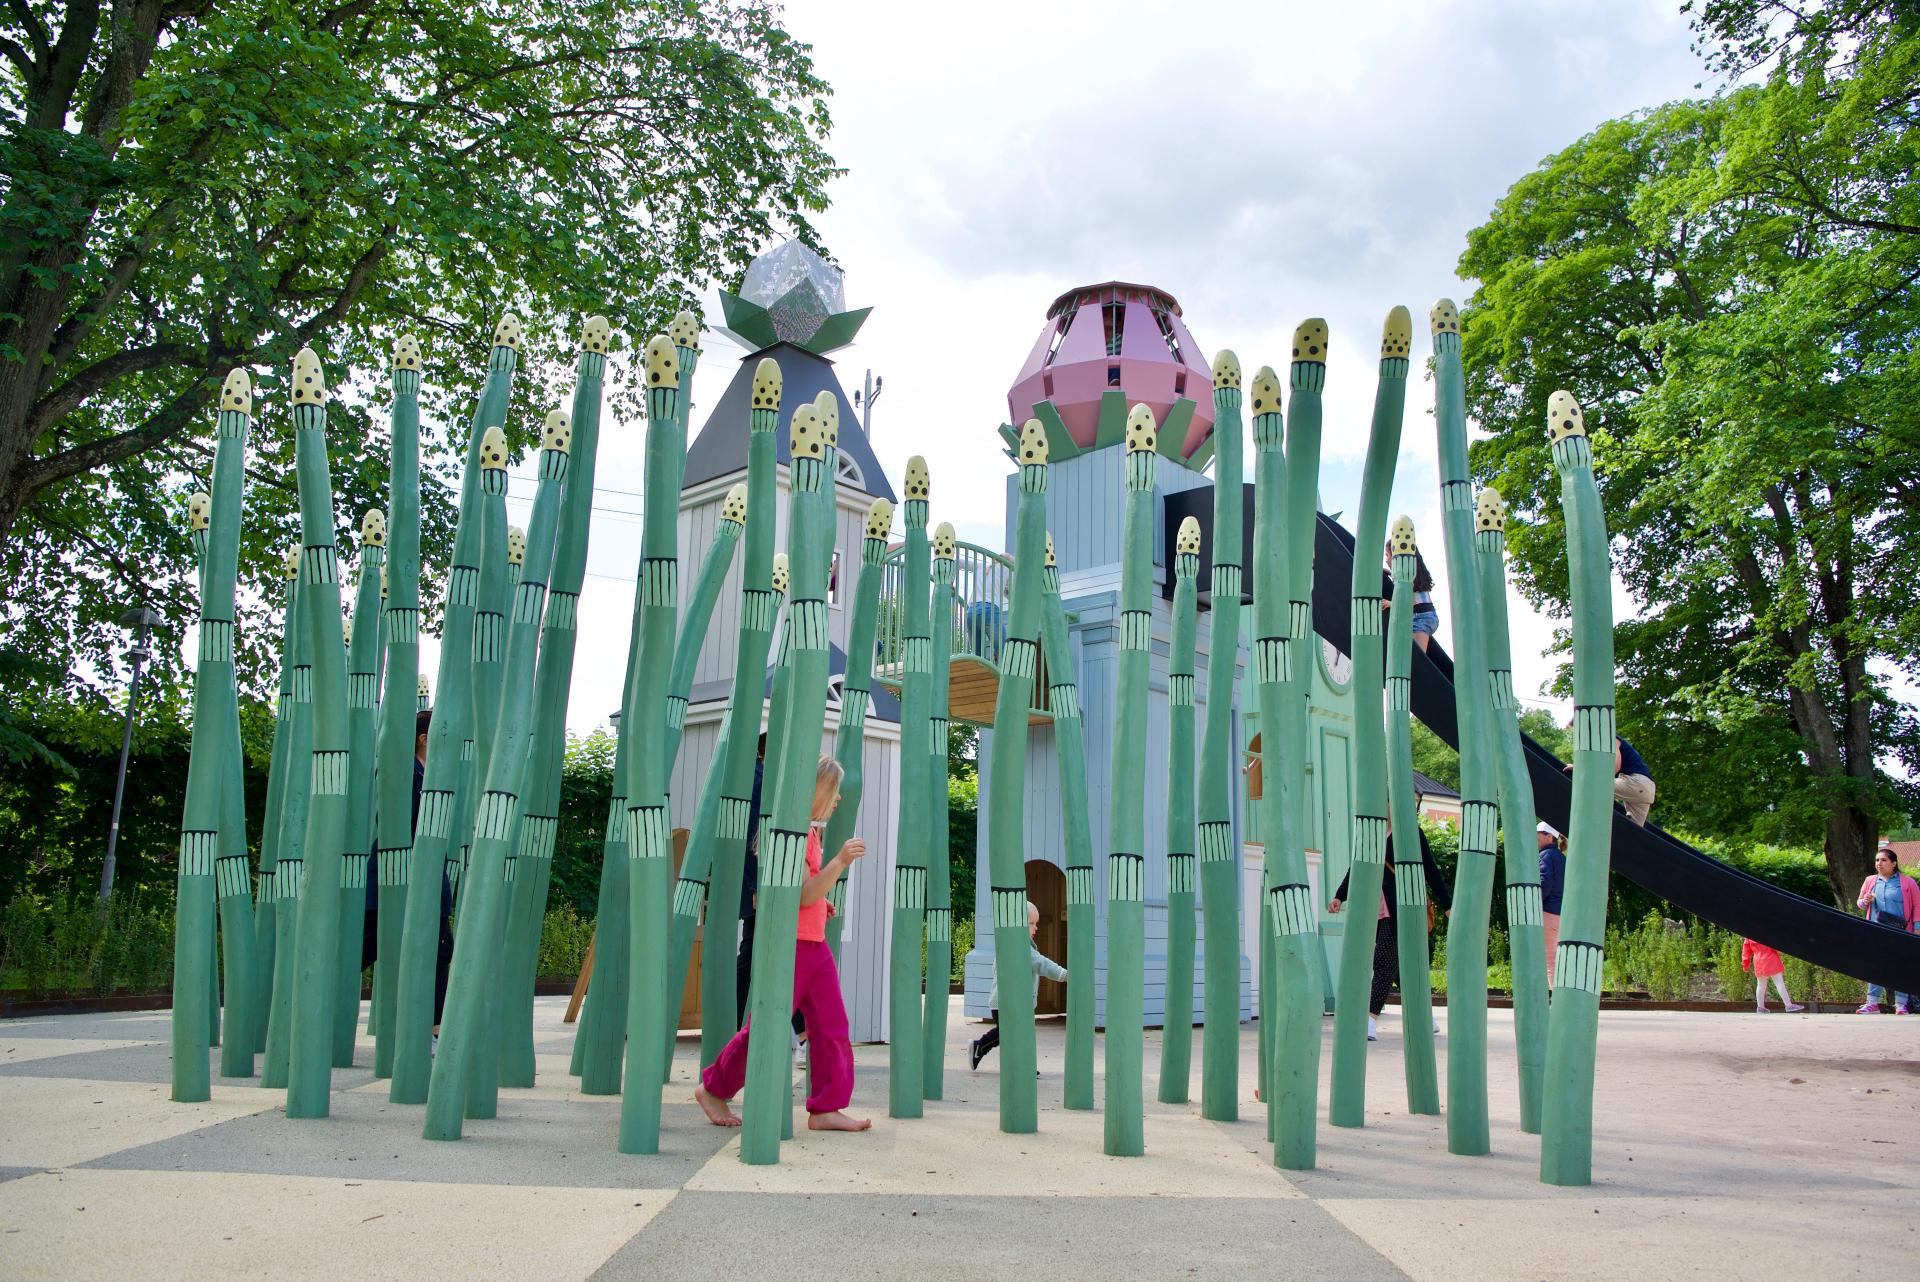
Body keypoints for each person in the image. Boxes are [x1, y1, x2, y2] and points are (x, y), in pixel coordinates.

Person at [695, 755, 869, 1132]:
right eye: (834, 792)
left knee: (832, 1026)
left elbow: (804, 896)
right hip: (791, 946)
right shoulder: (790, 833)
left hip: (813, 943)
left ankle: (826, 1108)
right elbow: (802, 894)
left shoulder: (807, 833)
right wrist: (839, 863)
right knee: (766, 1027)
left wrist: (824, 904)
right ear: (818, 790)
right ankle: (712, 1088)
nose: (837, 800)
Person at [1329, 817, 1451, 1041]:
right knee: (1399, 970)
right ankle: (1426, 1016)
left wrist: (1447, 904)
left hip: (1401, 908)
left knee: (1384, 961)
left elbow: (1430, 869)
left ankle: (1370, 1020)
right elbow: (1357, 865)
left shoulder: (1410, 832)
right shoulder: (1372, 833)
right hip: (1374, 909)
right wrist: (1340, 895)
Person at [968, 900, 1067, 1071]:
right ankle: (982, 1047)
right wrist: (1064, 975)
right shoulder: (1023, 949)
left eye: (1036, 924)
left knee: (1014, 1035)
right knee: (1013, 1035)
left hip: (1008, 1003)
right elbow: (1042, 964)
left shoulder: (1008, 946)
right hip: (1009, 1004)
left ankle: (1018, 1063)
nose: (1036, 928)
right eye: (1031, 923)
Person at [1855, 844, 1918, 1014]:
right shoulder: (1870, 881)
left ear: (1894, 863)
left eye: (1883, 860)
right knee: (1876, 966)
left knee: (1900, 966)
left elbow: (1918, 907)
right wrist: (1865, 901)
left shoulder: (1908, 882)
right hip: (1876, 931)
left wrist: (1917, 929)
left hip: (1901, 931)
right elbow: (1860, 904)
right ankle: (1872, 1003)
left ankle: (1901, 1004)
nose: (1879, 863)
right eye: (1877, 860)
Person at [1560, 735, 1656, 827]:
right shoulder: (1605, 747)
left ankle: (1595, 821)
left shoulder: (1612, 739)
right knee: (1633, 834)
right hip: (1647, 789)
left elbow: (1615, 767)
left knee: (1593, 784)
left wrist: (1579, 769)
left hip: (1636, 782)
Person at [1384, 540, 1441, 653]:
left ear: (1395, 557)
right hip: (1428, 614)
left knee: (1416, 660)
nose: (1386, 559)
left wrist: (1391, 603)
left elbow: (1408, 601)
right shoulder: (1414, 571)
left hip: (1420, 618)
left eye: (1387, 555)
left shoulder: (1403, 577)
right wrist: (1389, 573)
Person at [1741, 938, 1803, 1013]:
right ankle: (1788, 1005)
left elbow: (1746, 950)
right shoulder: (1767, 931)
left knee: (1761, 985)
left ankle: (1760, 1007)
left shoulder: (1749, 934)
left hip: (1758, 961)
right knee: (1779, 983)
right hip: (1771, 958)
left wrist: (1745, 965)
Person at [1538, 821, 1566, 983]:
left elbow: (1544, 883)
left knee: (1549, 960)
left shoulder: (1546, 856)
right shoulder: (1562, 857)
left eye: (1538, 834)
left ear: (1549, 837)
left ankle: (1555, 1002)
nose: (1535, 837)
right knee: (1557, 958)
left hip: (1548, 912)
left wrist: (1533, 904)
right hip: (1560, 913)